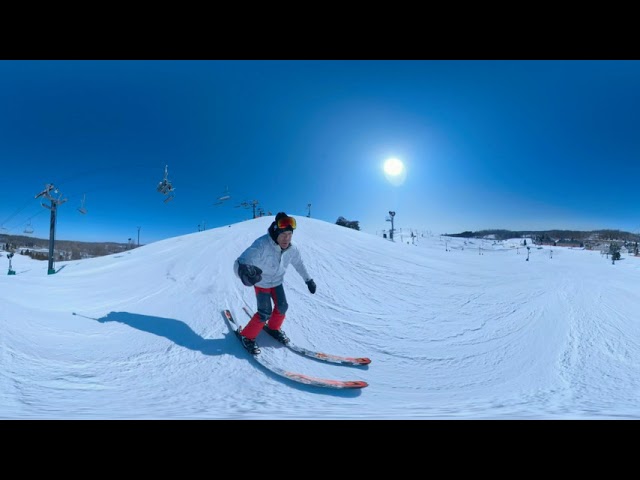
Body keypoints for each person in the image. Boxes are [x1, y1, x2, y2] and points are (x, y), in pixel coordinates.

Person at [233, 212, 316, 354]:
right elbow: (240, 262)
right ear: (276, 232)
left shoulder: (292, 248)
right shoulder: (262, 244)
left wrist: (308, 279)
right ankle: (246, 336)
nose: (287, 239)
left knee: (282, 307)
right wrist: (244, 271)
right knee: (265, 312)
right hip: (262, 283)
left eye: (290, 234)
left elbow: (299, 264)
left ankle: (273, 328)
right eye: (283, 235)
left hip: (277, 282)